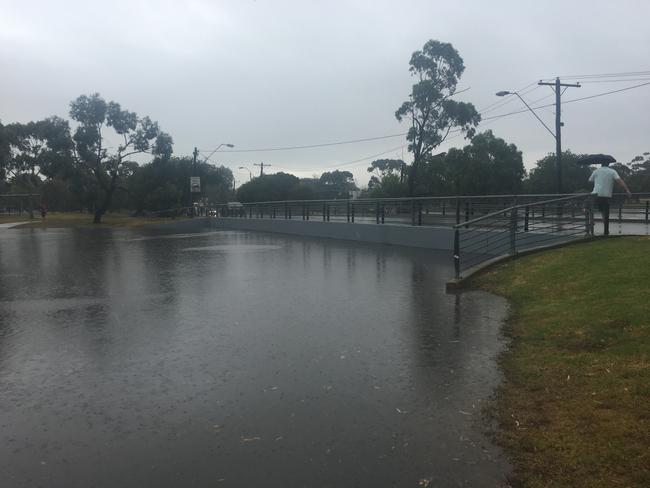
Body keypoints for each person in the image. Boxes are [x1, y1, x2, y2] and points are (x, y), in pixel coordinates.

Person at [588, 161, 632, 235]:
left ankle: (591, 222)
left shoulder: (596, 171)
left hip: (595, 194)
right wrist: (627, 190)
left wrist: (596, 177)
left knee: (589, 208)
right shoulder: (612, 171)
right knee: (604, 213)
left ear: (601, 164)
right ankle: (606, 230)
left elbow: (590, 180)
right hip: (606, 195)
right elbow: (619, 181)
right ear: (608, 164)